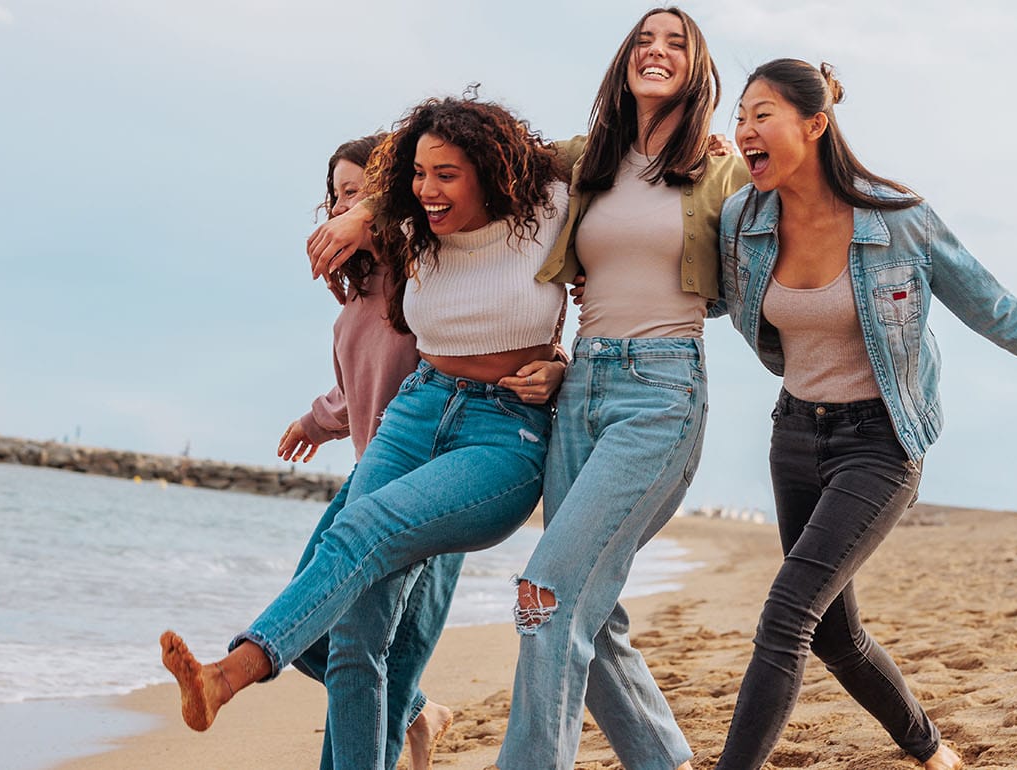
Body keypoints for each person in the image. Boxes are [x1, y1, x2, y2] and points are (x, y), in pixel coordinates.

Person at [307, 10, 745, 768]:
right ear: (624, 59)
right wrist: (375, 205)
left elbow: (768, 242)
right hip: (580, 387)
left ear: (697, 70)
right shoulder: (588, 160)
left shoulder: (720, 168)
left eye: (677, 42)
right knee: (591, 617)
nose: (657, 51)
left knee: (545, 595)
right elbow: (473, 162)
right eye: (645, 38)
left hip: (663, 385)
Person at [711, 58, 1017, 770]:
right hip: (794, 435)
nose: (746, 130)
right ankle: (934, 753)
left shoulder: (899, 220)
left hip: (880, 444)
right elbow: (707, 295)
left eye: (762, 115)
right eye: (740, 118)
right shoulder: (742, 219)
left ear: (814, 125)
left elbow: (990, 305)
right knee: (835, 636)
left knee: (787, 614)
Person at [162, 96, 571, 770]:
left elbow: (610, 173)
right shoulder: (414, 230)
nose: (428, 190)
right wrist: (359, 210)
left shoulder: (548, 209)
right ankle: (233, 684)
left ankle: (228, 676)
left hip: (503, 435)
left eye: (446, 174)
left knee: (364, 531)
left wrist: (562, 365)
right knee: (356, 637)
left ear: (490, 170)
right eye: (418, 174)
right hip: (416, 413)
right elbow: (379, 213)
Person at [275, 133, 455, 770]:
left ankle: (407, 709)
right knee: (308, 635)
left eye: (355, 194)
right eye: (334, 197)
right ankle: (418, 711)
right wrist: (312, 420)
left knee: (379, 656)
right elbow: (355, 391)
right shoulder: (354, 297)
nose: (340, 209)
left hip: (434, 485)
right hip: (367, 478)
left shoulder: (428, 275)